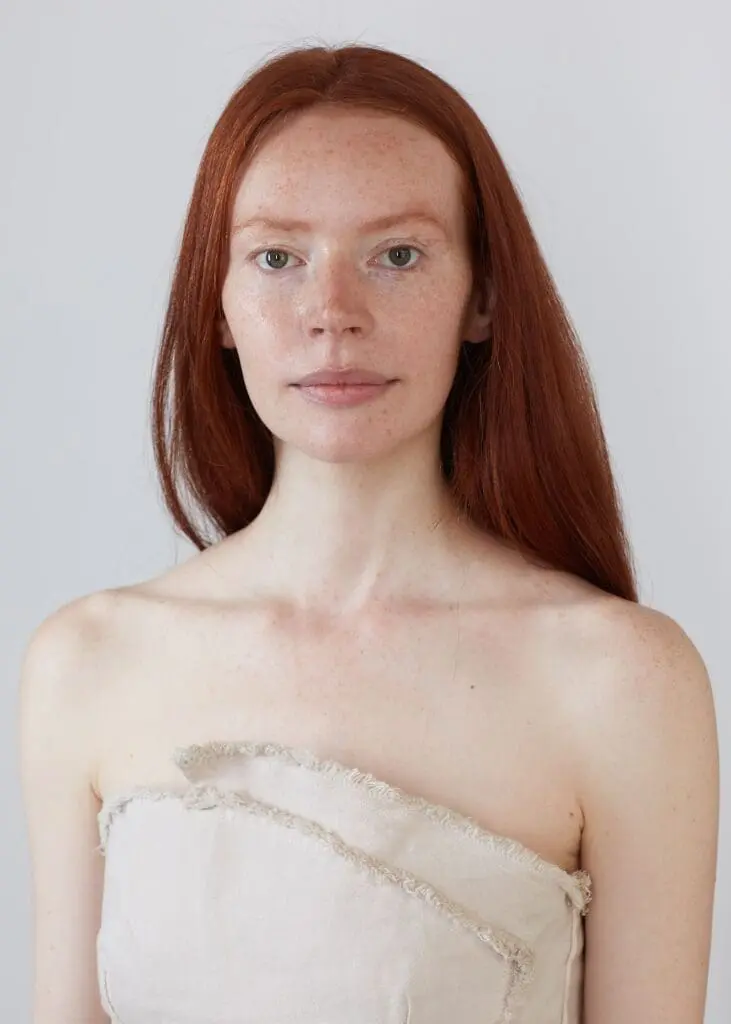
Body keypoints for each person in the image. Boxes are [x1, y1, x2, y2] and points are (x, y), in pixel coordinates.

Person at [19, 41, 718, 1024]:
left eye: (396, 255)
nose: (331, 313)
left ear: (480, 297)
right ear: (216, 305)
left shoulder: (620, 680)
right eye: (276, 257)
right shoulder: (86, 664)